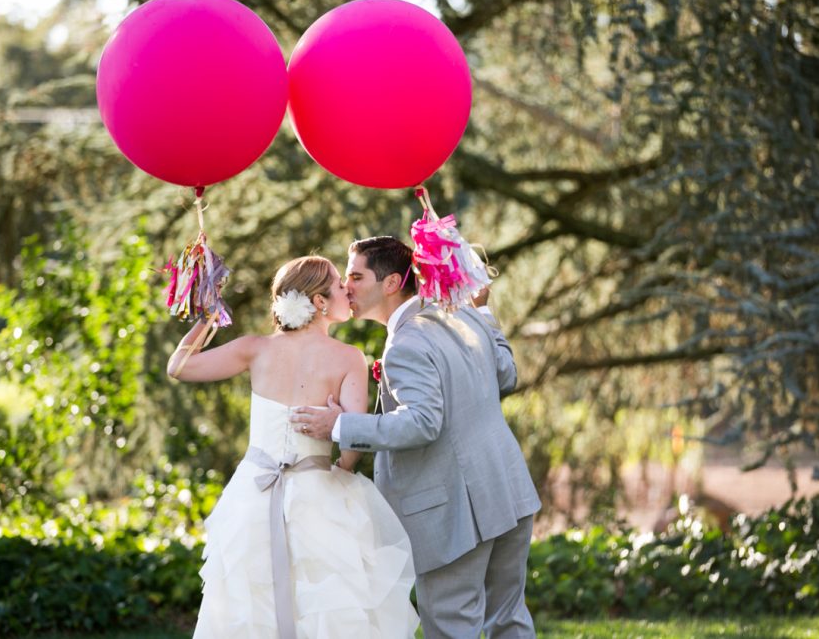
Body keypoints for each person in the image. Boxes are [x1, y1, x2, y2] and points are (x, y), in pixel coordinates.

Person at [290, 237, 541, 639]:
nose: (346, 287)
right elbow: (506, 375)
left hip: (457, 513)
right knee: (508, 621)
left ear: (391, 283)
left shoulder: (406, 343)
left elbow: (422, 423)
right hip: (506, 491)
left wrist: (339, 426)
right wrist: (486, 311)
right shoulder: (461, 312)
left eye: (356, 276)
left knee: (450, 627)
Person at [169, 255, 419, 639]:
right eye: (339, 285)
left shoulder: (254, 348)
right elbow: (352, 447)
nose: (347, 291)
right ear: (319, 302)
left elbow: (180, 367)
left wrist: (209, 315)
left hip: (253, 493)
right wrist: (342, 456)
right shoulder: (349, 358)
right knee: (326, 605)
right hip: (319, 496)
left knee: (251, 603)